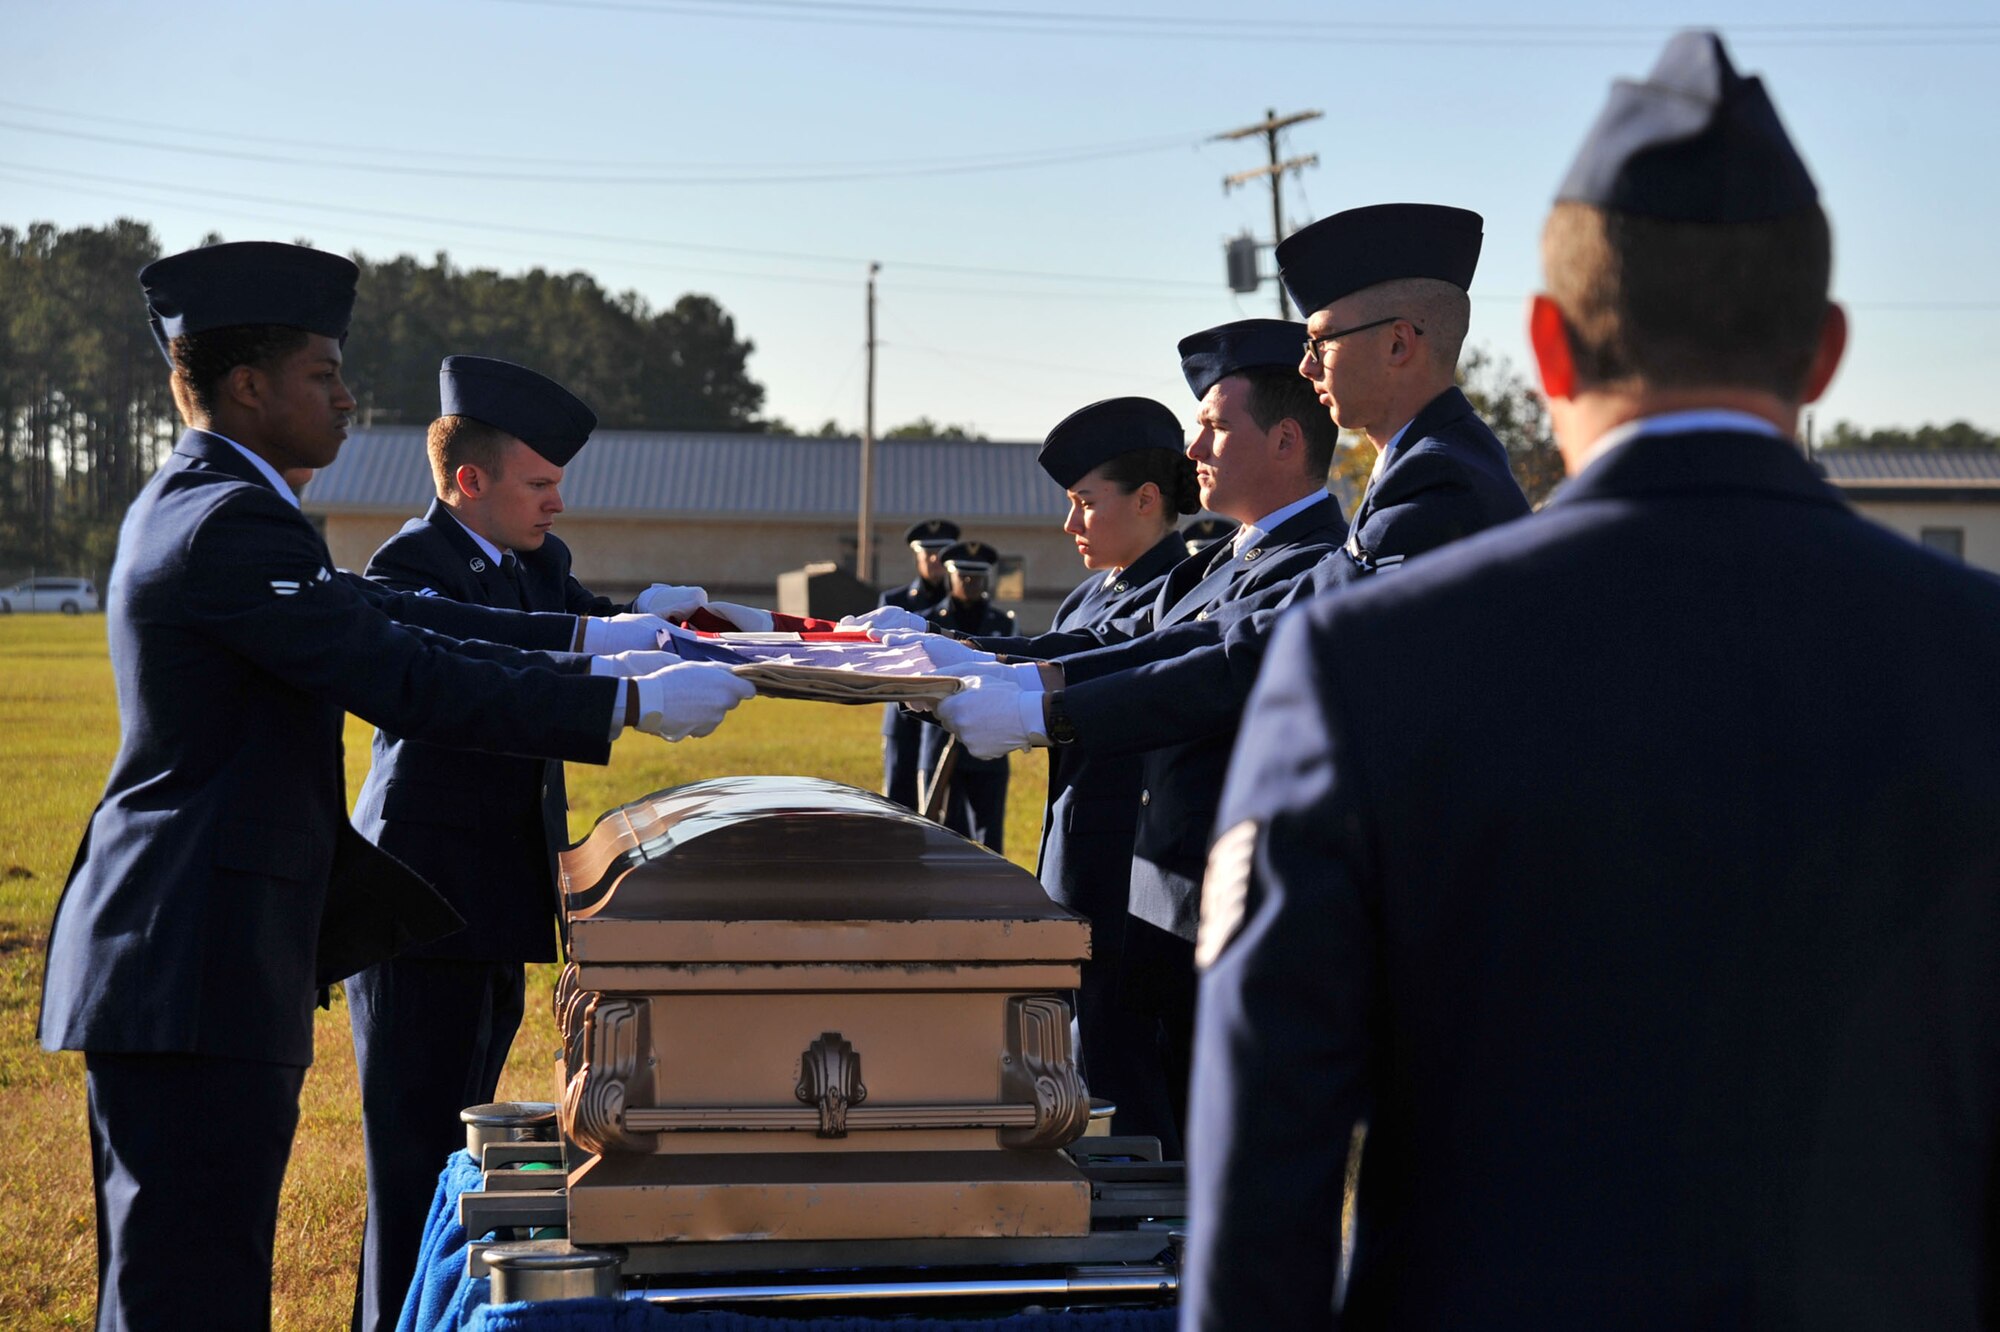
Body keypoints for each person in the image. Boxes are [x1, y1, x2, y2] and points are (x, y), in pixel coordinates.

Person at [1184, 32, 2000, 1331]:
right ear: (1826, 352)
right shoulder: (1974, 660)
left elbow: (1265, 1188)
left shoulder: (1362, 663)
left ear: (1548, 348)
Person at [35, 241, 755, 1332]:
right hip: (194, 952)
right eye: (321, 374)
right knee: (187, 1280)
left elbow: (394, 617)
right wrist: (618, 703)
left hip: (204, 948)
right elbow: (398, 673)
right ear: (246, 385)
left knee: (191, 1267)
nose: (346, 397)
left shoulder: (222, 504)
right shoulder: (226, 521)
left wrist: (591, 636)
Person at [891, 318, 1348, 1154]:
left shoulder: (1317, 564)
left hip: (1223, 908)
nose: (1195, 448)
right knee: (1140, 1133)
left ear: (1286, 441)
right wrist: (955, 654)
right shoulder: (1225, 563)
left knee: (1192, 1150)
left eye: (1214, 426)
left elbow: (1207, 674)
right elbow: (1113, 648)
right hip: (1157, 902)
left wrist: (1036, 708)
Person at [342, 355, 704, 1332]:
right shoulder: (411, 568)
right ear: (469, 482)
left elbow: (574, 623)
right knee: (412, 1159)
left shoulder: (531, 562)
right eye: (538, 485)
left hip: (498, 893)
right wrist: (614, 674)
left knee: (464, 1150)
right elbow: (488, 670)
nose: (556, 504)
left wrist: (657, 625)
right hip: (420, 895)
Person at [1024, 396, 1197, 1139]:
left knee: (1131, 1089)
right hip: (1074, 863)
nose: (1072, 525)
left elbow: (1085, 660)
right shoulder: (1090, 592)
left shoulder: (1179, 594)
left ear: (1148, 500)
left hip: (1133, 889)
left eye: (1086, 503)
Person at [915, 539, 1015, 849]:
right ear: (950, 576)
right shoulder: (929, 622)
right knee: (937, 834)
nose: (971, 584)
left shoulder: (1003, 624)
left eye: (979, 578)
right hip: (940, 738)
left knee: (989, 836)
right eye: (964, 577)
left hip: (989, 743)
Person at [879, 518, 959, 808]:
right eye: (929, 553)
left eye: (943, 553)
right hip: (903, 716)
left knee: (944, 806)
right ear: (917, 556)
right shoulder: (894, 603)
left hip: (947, 712)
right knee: (898, 803)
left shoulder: (961, 605)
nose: (936, 560)